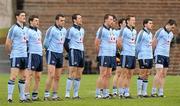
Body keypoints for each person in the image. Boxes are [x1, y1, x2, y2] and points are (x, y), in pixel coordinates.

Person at [95, 14, 120, 99]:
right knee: (103, 74)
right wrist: (99, 55)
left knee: (109, 75)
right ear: (105, 20)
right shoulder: (101, 30)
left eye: (113, 19)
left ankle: (105, 93)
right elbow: (97, 43)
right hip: (104, 54)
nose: (112, 21)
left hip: (112, 55)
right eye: (110, 19)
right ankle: (98, 93)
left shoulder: (112, 31)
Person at [5, 10, 28, 103]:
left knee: (23, 77)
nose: (24, 17)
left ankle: (22, 98)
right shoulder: (13, 28)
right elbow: (7, 43)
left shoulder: (26, 29)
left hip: (24, 56)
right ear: (17, 17)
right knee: (13, 76)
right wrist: (11, 53)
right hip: (16, 55)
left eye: (24, 15)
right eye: (22, 15)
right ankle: (9, 97)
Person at [43, 14, 66, 101]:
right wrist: (47, 49)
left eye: (64, 21)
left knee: (57, 76)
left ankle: (55, 95)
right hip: (52, 53)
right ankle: (46, 95)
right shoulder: (51, 29)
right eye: (61, 20)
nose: (63, 22)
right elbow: (46, 42)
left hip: (60, 54)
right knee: (51, 75)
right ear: (56, 20)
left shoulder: (64, 30)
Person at [151, 19, 177, 97]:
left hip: (166, 56)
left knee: (164, 74)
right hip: (159, 54)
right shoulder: (160, 31)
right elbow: (154, 42)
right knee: (159, 73)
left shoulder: (171, 34)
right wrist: (153, 53)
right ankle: (153, 92)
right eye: (172, 27)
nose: (173, 29)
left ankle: (161, 92)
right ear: (168, 24)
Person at [64, 14, 85, 99]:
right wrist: (69, 52)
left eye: (81, 18)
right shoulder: (70, 30)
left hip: (81, 51)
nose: (81, 19)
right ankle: (67, 93)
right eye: (79, 18)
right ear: (74, 20)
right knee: (72, 72)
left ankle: (76, 94)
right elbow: (66, 43)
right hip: (73, 51)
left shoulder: (83, 30)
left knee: (79, 73)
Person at [24, 15, 43, 101]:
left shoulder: (39, 31)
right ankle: (26, 95)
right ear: (31, 22)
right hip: (32, 55)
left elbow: (39, 42)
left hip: (39, 55)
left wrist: (42, 49)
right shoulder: (28, 31)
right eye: (35, 21)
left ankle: (34, 96)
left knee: (38, 76)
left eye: (38, 20)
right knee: (29, 76)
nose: (37, 22)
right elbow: (25, 43)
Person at [118, 15, 137, 98]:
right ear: (127, 21)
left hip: (132, 55)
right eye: (132, 20)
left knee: (130, 74)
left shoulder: (135, 31)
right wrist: (122, 50)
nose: (134, 21)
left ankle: (127, 93)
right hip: (126, 54)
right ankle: (121, 93)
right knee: (124, 74)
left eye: (134, 20)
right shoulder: (124, 30)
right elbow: (119, 41)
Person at [136, 19, 153, 98]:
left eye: (152, 23)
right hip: (143, 56)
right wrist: (137, 55)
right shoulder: (141, 33)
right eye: (150, 23)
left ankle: (144, 92)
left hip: (149, 56)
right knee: (142, 73)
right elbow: (137, 44)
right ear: (145, 24)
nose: (151, 24)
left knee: (147, 74)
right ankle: (139, 92)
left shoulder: (150, 34)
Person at [112, 18, 126, 96]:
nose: (126, 24)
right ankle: (114, 90)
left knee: (124, 73)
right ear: (120, 24)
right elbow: (116, 43)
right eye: (124, 23)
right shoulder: (117, 32)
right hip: (118, 54)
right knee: (118, 72)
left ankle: (122, 89)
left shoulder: (127, 32)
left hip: (125, 54)